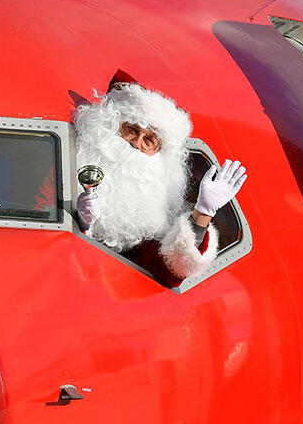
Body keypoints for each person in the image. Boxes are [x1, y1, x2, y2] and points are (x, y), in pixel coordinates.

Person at [73, 81, 246, 287]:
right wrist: (76, 220)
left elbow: (169, 274)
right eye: (132, 130)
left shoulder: (150, 217)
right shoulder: (70, 156)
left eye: (149, 140)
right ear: (111, 125)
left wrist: (203, 213)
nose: (136, 143)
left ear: (159, 154)